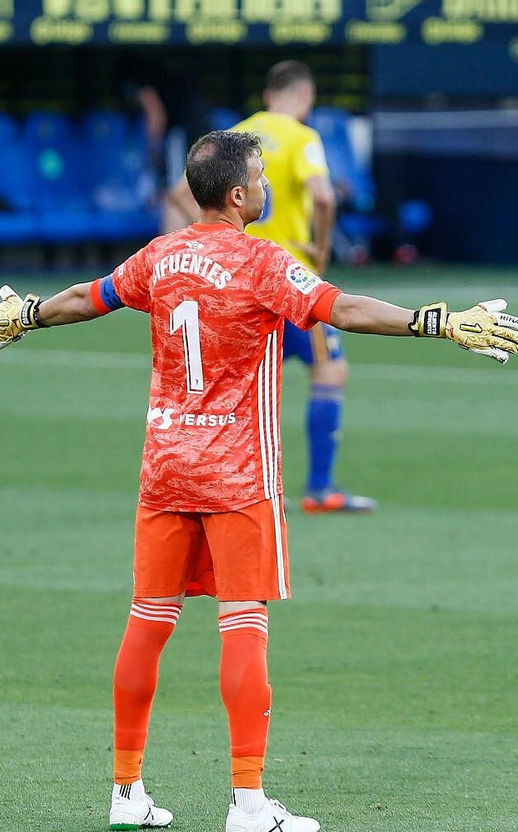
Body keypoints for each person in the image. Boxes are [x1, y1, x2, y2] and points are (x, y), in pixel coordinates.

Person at [0, 130, 518, 832]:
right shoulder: (263, 262)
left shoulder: (162, 254)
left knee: (148, 622)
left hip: (165, 467)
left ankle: (126, 791)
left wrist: (26, 315)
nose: (268, 188)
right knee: (244, 624)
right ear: (237, 195)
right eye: (262, 179)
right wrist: (440, 323)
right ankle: (247, 803)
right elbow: (345, 309)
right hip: (238, 473)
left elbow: (90, 297)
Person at [167, 61, 370, 514]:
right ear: (305, 96)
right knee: (329, 371)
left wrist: (215, 244)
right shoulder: (303, 138)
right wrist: (320, 251)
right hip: (289, 282)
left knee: (233, 389)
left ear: (267, 95)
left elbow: (182, 194)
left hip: (235, 283)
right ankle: (319, 488)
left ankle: (206, 487)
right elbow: (323, 195)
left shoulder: (235, 138)